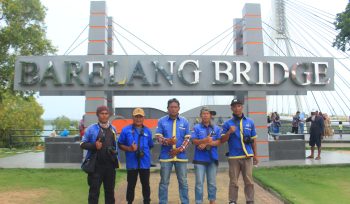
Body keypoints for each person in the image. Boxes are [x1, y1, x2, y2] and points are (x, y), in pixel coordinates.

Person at [220, 99, 258, 204]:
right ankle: (232, 201)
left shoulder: (250, 121)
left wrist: (255, 156)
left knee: (249, 181)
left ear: (242, 107)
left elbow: (254, 140)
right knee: (233, 181)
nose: (237, 108)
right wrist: (229, 132)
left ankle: (250, 200)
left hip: (247, 155)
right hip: (234, 157)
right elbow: (222, 140)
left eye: (239, 106)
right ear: (231, 108)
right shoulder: (227, 123)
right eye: (235, 106)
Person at [155, 98, 191, 204]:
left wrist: (179, 150)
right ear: (167, 108)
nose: (173, 109)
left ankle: (185, 202)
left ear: (179, 108)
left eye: (175, 107)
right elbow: (158, 137)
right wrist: (168, 141)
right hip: (166, 157)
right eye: (171, 107)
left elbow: (188, 138)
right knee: (164, 182)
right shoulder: (161, 121)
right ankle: (163, 202)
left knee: (183, 182)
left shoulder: (185, 121)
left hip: (181, 157)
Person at [80, 106, 119, 204]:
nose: (104, 115)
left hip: (110, 166)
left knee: (110, 193)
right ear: (98, 115)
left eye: (106, 113)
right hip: (96, 166)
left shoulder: (113, 129)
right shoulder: (91, 129)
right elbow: (82, 144)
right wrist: (94, 145)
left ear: (109, 115)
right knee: (94, 193)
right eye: (102, 113)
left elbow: (115, 145)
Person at [118, 108, 154, 204]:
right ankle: (129, 201)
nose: (138, 119)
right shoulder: (126, 130)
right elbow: (120, 144)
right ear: (132, 117)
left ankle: (146, 201)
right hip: (132, 163)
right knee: (131, 185)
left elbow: (150, 145)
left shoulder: (148, 131)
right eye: (136, 116)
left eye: (140, 117)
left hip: (145, 163)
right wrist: (129, 149)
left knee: (146, 184)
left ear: (143, 118)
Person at [192, 107, 221, 204]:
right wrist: (203, 141)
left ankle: (212, 201)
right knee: (199, 183)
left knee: (212, 183)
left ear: (210, 115)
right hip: (199, 159)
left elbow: (219, 141)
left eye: (207, 113)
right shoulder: (196, 127)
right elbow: (194, 141)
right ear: (200, 116)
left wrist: (207, 144)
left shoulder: (216, 128)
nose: (205, 115)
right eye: (203, 113)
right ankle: (199, 201)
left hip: (212, 159)